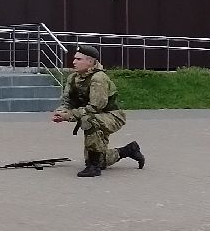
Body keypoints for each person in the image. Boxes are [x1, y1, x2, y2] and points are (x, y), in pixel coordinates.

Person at [50, 44, 144, 177]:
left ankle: (93, 168)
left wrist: (69, 116)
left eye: (78, 59)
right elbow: (68, 101)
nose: (74, 62)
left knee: (89, 120)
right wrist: (61, 112)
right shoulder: (73, 78)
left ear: (90, 62)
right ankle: (129, 150)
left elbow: (95, 107)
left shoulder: (98, 78)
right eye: (74, 59)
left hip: (111, 116)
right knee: (99, 158)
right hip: (95, 115)